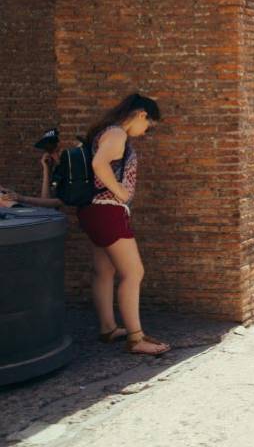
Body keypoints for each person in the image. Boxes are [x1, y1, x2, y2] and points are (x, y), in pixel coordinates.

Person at [79, 94, 170, 355]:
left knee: (103, 271)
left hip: (92, 211)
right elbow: (99, 164)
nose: (145, 132)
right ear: (141, 114)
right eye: (148, 125)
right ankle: (136, 338)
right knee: (134, 272)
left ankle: (108, 328)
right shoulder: (117, 134)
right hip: (107, 211)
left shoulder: (105, 131)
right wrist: (119, 191)